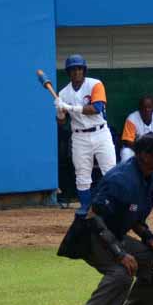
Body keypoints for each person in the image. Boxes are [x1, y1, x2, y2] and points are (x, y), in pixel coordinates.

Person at [67, 133, 153, 305]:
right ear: (144, 155)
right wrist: (120, 254)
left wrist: (150, 239)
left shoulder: (149, 178)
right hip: (90, 235)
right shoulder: (121, 180)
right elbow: (93, 216)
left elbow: (134, 218)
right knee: (121, 271)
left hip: (114, 234)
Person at [55, 54, 116, 216]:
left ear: (84, 70)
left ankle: (114, 204)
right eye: (73, 69)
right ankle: (85, 207)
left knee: (110, 171)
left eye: (79, 68)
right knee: (82, 174)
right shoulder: (63, 93)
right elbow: (61, 123)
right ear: (68, 72)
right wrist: (60, 112)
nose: (76, 72)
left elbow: (96, 108)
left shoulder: (95, 84)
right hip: (79, 136)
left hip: (101, 132)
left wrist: (69, 108)